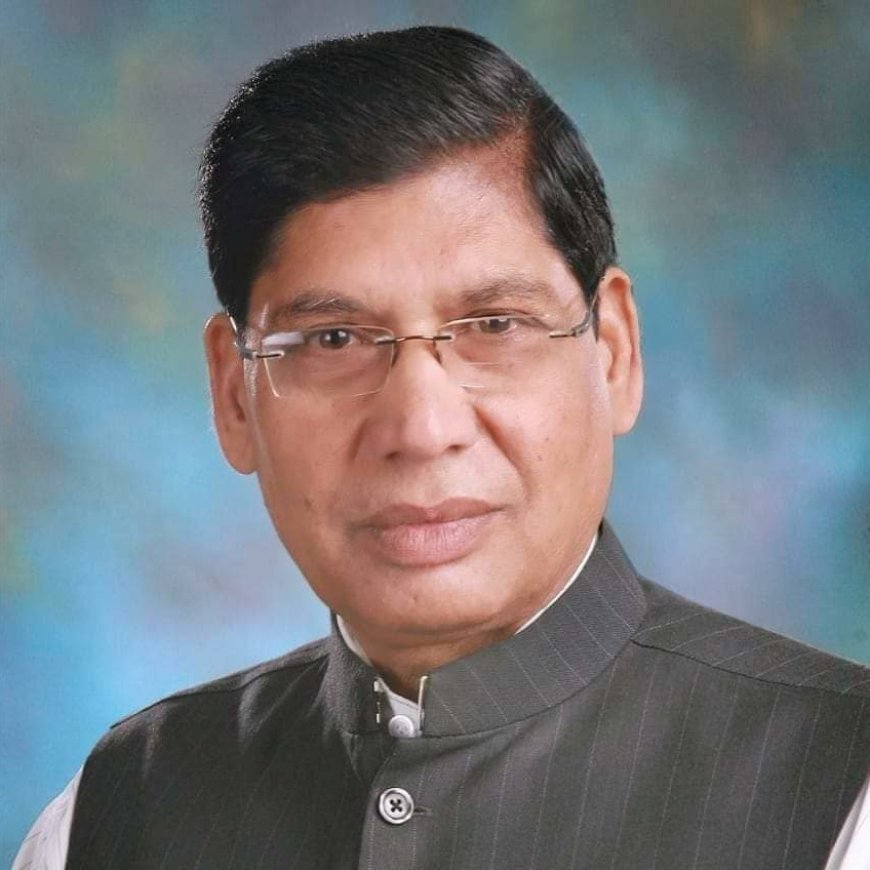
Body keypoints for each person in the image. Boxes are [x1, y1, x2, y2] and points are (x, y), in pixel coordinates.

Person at [14, 26, 869, 870]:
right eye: (335, 340)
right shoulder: (112, 816)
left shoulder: (840, 791)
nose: (421, 429)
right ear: (234, 393)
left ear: (613, 351)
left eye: (494, 325)